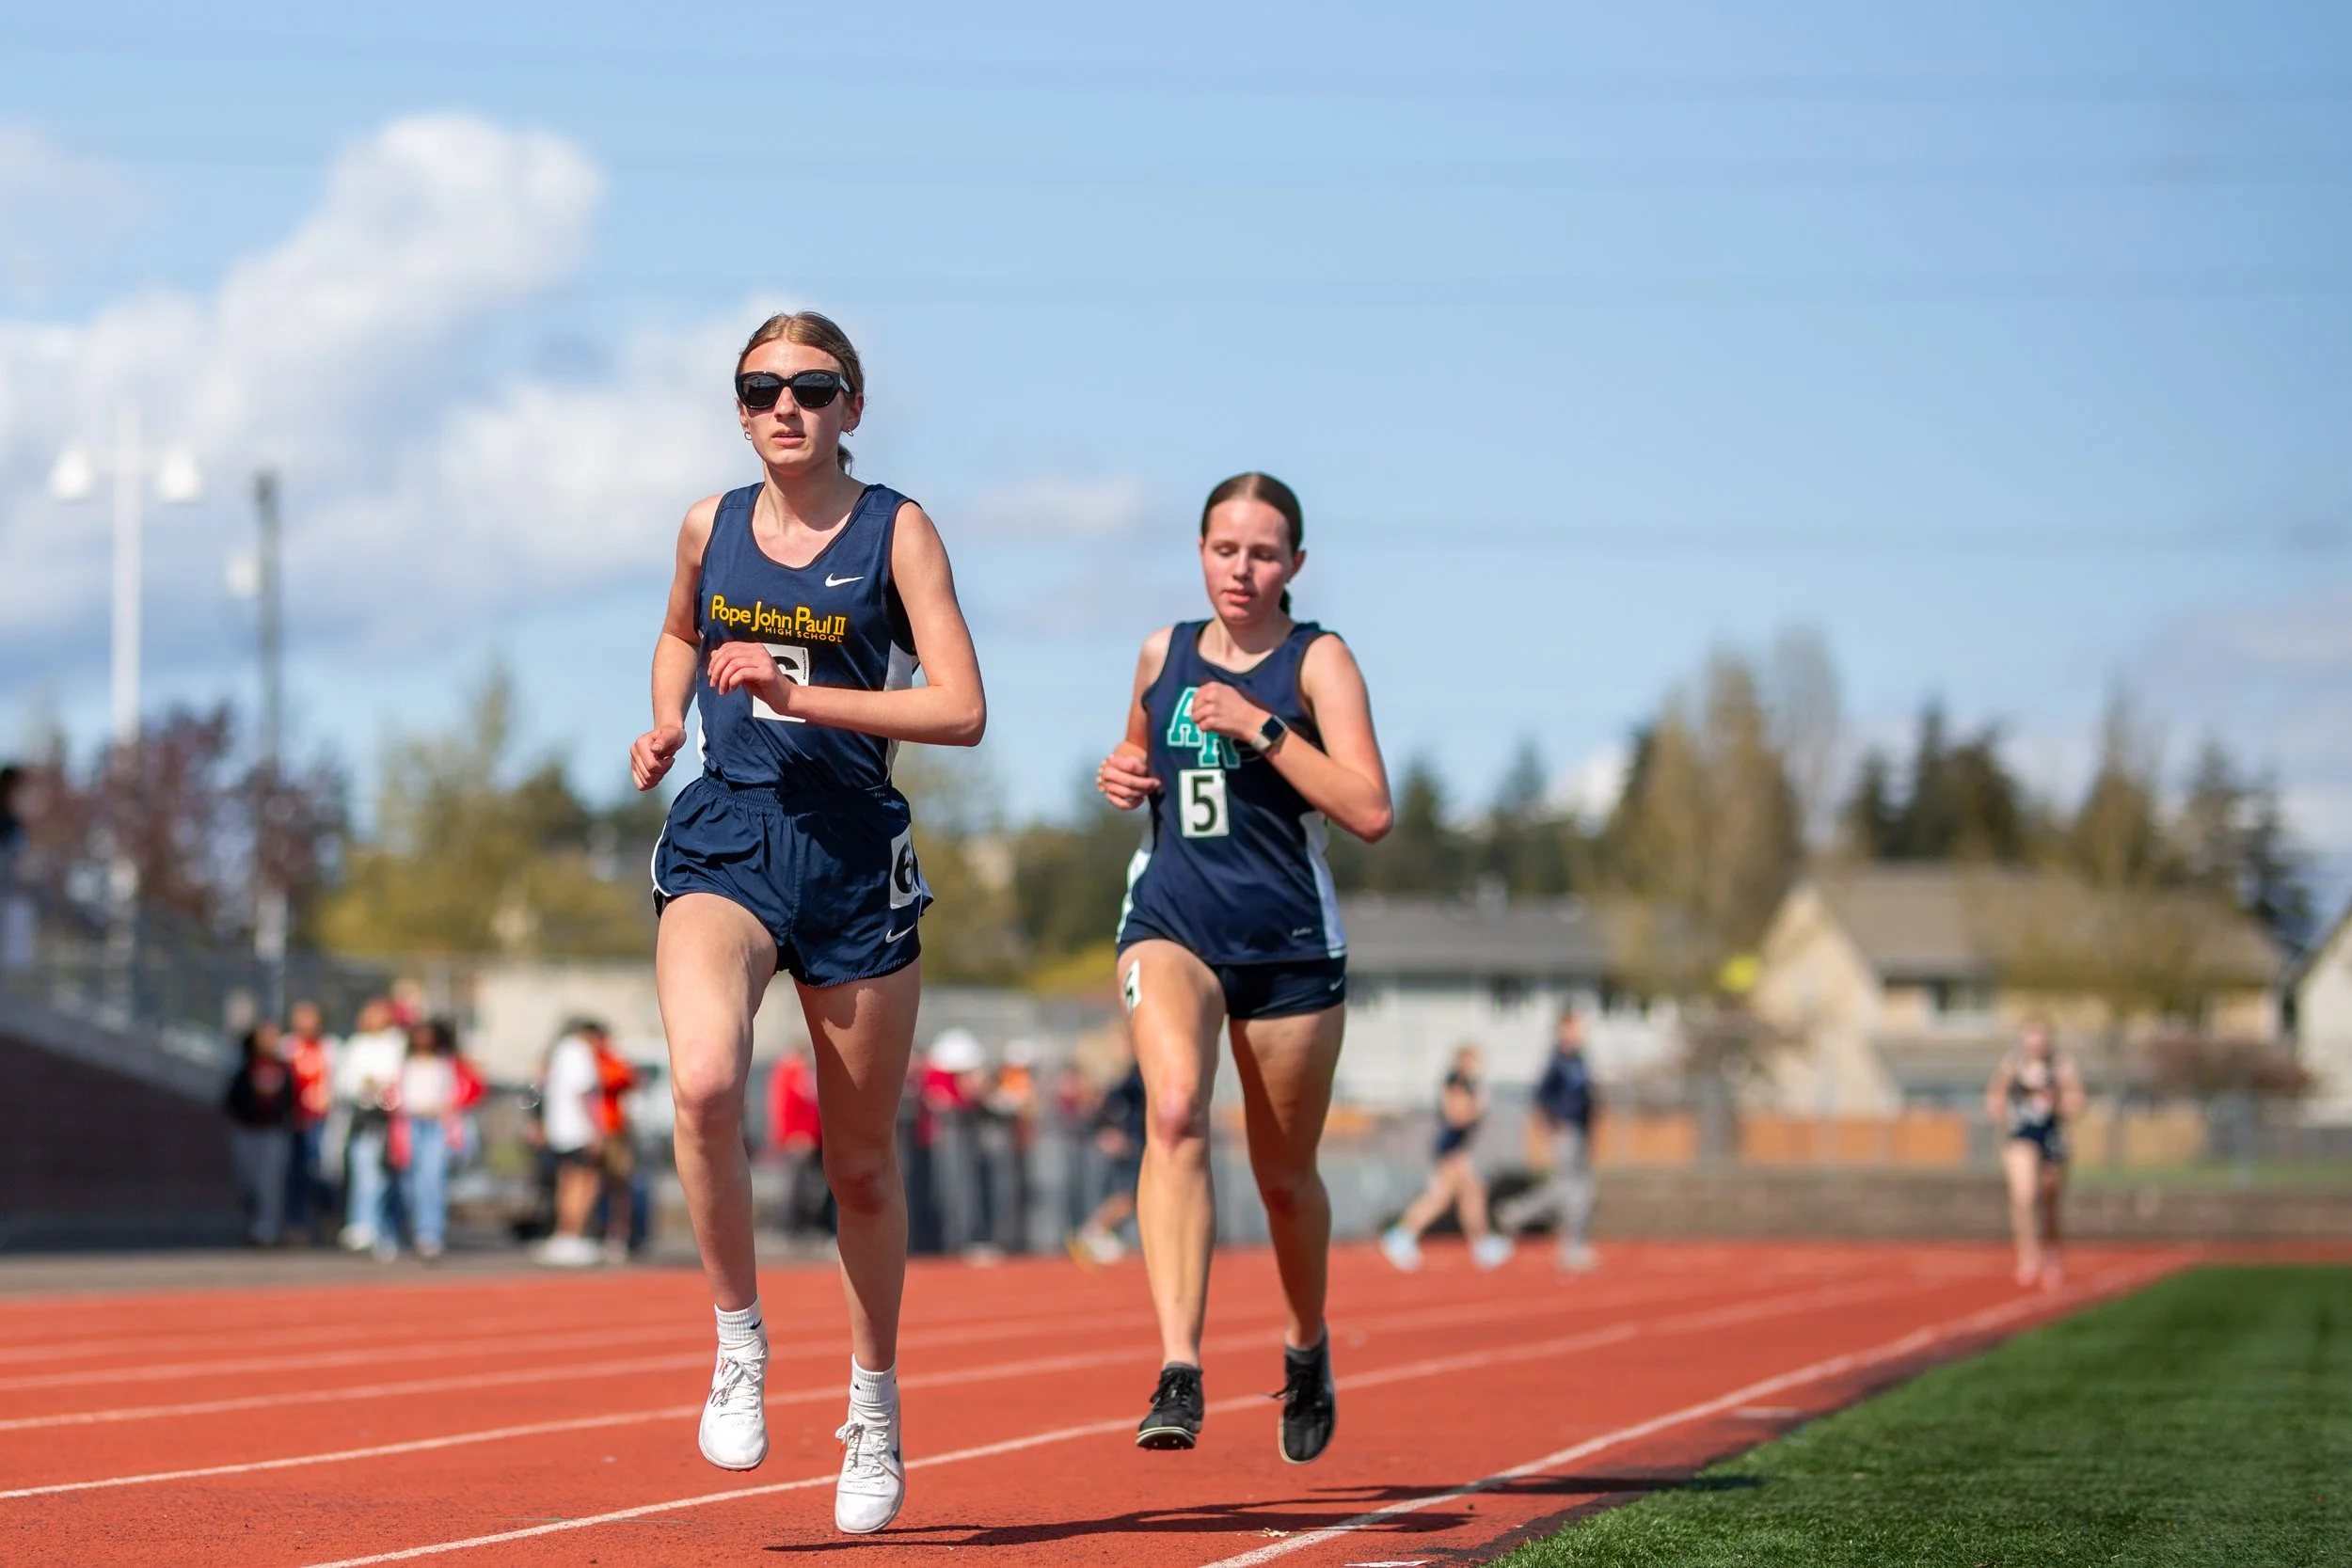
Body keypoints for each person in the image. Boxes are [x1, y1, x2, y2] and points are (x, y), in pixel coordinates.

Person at [629, 310, 985, 1535]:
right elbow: (682, 627)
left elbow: (960, 705)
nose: (787, 405)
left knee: (860, 1162)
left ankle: (874, 1403)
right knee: (707, 1086)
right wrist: (668, 716)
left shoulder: (898, 529)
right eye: (762, 387)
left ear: (851, 406)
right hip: (728, 832)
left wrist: (801, 692)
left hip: (849, 850)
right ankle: (738, 1339)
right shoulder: (708, 525)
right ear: (739, 408)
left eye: (812, 387)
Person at [1095, 470, 1393, 1464]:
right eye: (1226, 548)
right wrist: (1121, 770)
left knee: (1283, 1177)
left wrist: (1263, 729)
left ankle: (1304, 1342)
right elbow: (1138, 761)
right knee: (1174, 1107)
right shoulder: (1163, 651)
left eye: (1263, 553)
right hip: (1172, 919)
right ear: (1199, 551)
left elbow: (1368, 809)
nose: (1242, 568)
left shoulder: (1319, 660)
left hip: (1288, 946)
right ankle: (1179, 1364)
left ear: (1294, 566)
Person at [1381, 1045, 1514, 1272]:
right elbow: (1455, 1116)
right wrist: (1477, 1109)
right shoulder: (1456, 1082)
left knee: (1455, 1196)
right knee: (1459, 1194)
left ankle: (1479, 1243)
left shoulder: (1467, 1084)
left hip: (1456, 1148)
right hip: (1450, 1149)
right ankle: (1403, 1236)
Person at [1496, 1009, 1600, 1272]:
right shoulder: (1558, 1060)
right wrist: (1555, 1124)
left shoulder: (1579, 1059)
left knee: (1574, 1190)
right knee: (1574, 1190)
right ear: (1564, 1030)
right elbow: (1541, 1096)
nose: (1581, 1032)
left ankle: (1517, 1213)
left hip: (1580, 1132)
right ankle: (1569, 1247)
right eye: (1576, 1027)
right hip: (1565, 1132)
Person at [1985, 1020, 2084, 1289]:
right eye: (2031, 1034)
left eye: (2040, 1035)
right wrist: (2001, 1113)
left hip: (2051, 1135)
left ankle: (2052, 1251)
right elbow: (1995, 1096)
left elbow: (2076, 1102)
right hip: (2021, 1136)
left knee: (2049, 1198)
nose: (2035, 1041)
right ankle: (2028, 1255)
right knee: (2024, 1195)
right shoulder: (2012, 1065)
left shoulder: (2061, 1066)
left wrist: (2056, 1104)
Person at [532, 1021, 612, 1267]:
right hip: (578, 1130)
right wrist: (596, 1129)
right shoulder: (579, 1052)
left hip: (560, 1130)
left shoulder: (559, 1051)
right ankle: (573, 1236)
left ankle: (563, 1235)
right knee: (585, 1184)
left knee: (566, 1183)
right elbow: (584, 1093)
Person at [335, 998, 407, 1259]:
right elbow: (345, 1082)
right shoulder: (356, 1045)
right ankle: (363, 1224)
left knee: (386, 1178)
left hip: (390, 1121)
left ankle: (384, 1231)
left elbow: (399, 1079)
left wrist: (383, 1091)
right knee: (365, 1172)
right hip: (362, 1119)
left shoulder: (397, 1044)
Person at [393, 1018, 465, 1261]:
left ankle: (430, 1234)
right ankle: (411, 1229)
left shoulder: (446, 1064)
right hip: (409, 1126)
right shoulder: (404, 1064)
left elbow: (461, 1092)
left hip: (436, 1127)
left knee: (433, 1181)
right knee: (409, 1184)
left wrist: (447, 1109)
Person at [1067, 1055, 1146, 1267]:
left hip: (1143, 1144)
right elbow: (1114, 1097)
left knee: (1134, 1197)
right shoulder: (1137, 1073)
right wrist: (1110, 1131)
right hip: (1137, 1145)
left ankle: (1094, 1233)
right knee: (1129, 1196)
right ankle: (1091, 1233)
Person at [222, 1022, 296, 1245]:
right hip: (247, 1131)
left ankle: (267, 1229)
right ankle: (252, 1224)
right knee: (249, 1181)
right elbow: (232, 1098)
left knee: (270, 1182)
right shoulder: (244, 1067)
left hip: (273, 1131)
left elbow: (289, 1097)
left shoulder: (283, 1067)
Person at [281, 1000, 339, 1244]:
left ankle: (328, 1221)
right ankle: (297, 1225)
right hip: (294, 1122)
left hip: (322, 1121)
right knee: (297, 1173)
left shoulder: (330, 1048)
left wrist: (329, 1098)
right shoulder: (287, 1047)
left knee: (323, 1172)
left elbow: (338, 1080)